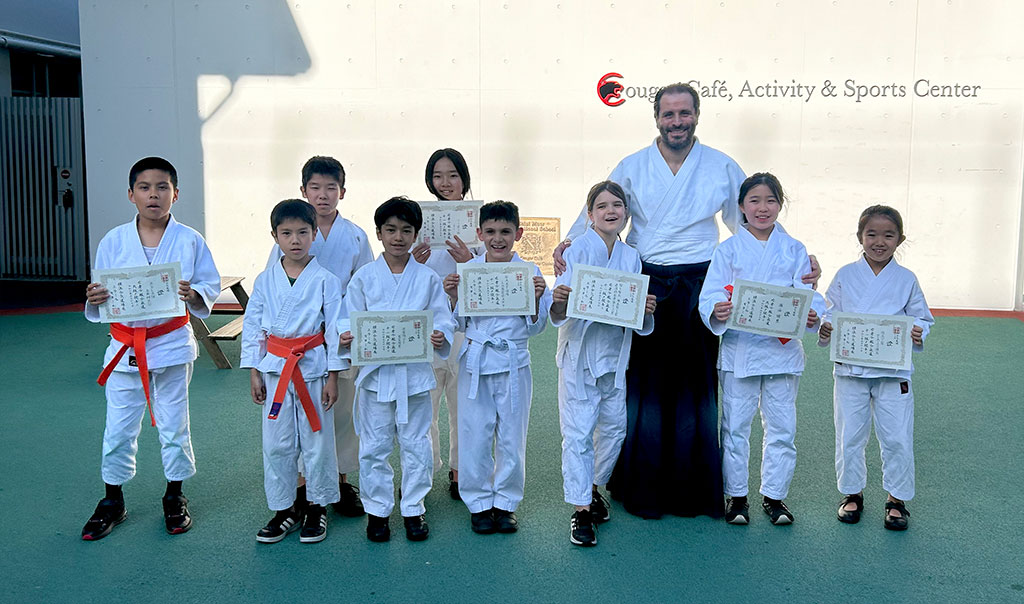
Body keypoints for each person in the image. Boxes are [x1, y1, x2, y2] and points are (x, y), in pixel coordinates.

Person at [553, 82, 819, 519]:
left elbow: (751, 219)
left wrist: (796, 255)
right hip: (646, 284)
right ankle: (641, 484)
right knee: (645, 385)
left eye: (684, 113)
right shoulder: (633, 165)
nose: (677, 122)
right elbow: (600, 208)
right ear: (656, 117)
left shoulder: (720, 165)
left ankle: (693, 487)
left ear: (697, 115)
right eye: (669, 114)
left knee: (695, 385)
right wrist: (568, 242)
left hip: (700, 281)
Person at [82, 157, 221, 540]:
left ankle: (174, 494)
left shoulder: (191, 239)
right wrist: (95, 297)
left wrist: (194, 293)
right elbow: (101, 294)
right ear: (131, 194)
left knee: (175, 426)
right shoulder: (113, 240)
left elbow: (209, 287)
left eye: (162, 187)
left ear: (176, 193)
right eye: (145, 187)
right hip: (125, 346)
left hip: (172, 345)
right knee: (118, 429)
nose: (154, 195)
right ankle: (113, 499)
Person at [698, 173, 825, 526]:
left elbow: (811, 292)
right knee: (736, 427)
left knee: (782, 427)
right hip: (741, 351)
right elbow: (710, 294)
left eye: (770, 200)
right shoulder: (728, 250)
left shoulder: (794, 249)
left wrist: (815, 312)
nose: (762, 208)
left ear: (780, 205)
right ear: (741, 207)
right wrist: (716, 308)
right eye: (754, 200)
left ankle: (774, 497)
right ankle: (737, 497)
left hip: (782, 353)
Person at [340, 197, 456, 542]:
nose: (398, 237)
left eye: (406, 230)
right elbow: (346, 318)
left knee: (416, 444)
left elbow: (444, 316)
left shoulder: (427, 278)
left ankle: (414, 509)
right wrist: (346, 334)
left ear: (417, 234)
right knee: (374, 445)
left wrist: (441, 334)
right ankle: (377, 511)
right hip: (376, 379)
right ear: (379, 233)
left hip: (415, 377)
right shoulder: (364, 278)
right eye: (390, 229)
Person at [549, 181, 656, 546]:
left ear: (625, 213)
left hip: (615, 357)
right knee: (578, 434)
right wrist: (560, 299)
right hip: (579, 356)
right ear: (590, 214)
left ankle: (592, 487)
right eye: (602, 206)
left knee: (614, 430)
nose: (611, 211)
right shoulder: (576, 250)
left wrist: (644, 309)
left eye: (617, 205)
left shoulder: (631, 257)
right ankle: (580, 511)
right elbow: (559, 310)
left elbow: (634, 313)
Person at [266, 156, 372, 518]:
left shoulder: (355, 236)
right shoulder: (288, 233)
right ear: (303, 190)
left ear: (342, 191)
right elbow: (275, 294)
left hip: (342, 336)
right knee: (296, 418)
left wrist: (354, 332)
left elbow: (364, 286)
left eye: (331, 188)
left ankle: (340, 481)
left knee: (341, 411)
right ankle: (300, 484)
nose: (323, 195)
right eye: (315, 188)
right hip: (303, 340)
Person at [818, 205, 933, 531]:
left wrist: (917, 331)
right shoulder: (845, 275)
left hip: (893, 372)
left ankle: (896, 499)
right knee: (850, 434)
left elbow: (923, 317)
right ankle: (852, 494)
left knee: (896, 436)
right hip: (851, 370)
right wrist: (826, 328)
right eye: (871, 234)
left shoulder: (906, 279)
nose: (879, 242)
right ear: (860, 237)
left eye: (888, 235)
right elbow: (830, 312)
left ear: (900, 239)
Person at [442, 201, 551, 535]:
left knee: (511, 437)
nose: (498, 238)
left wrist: (535, 300)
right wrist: (453, 297)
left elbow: (536, 327)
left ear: (518, 234)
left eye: (505, 232)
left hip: (514, 361)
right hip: (476, 360)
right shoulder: (469, 271)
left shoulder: (531, 272)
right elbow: (458, 323)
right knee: (474, 434)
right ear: (480, 234)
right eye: (490, 232)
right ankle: (478, 503)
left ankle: (505, 504)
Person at [242, 200, 344, 544]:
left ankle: (317, 507)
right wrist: (254, 370)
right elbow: (254, 325)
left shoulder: (326, 280)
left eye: (303, 232)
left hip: (313, 367)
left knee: (317, 442)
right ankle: (284, 509)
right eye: (286, 233)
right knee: (276, 444)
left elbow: (334, 330)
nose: (295, 240)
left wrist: (334, 375)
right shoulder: (265, 279)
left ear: (314, 234)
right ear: (275, 236)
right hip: (274, 369)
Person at [411, 148, 483, 500]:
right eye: (438, 176)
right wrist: (414, 263)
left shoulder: (480, 224)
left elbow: (493, 281)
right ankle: (421, 469)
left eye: (453, 175)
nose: (445, 183)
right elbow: (405, 280)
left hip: (468, 331)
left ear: (464, 179)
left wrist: (468, 264)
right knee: (425, 405)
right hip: (429, 329)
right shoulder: (419, 224)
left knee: (463, 406)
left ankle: (460, 471)